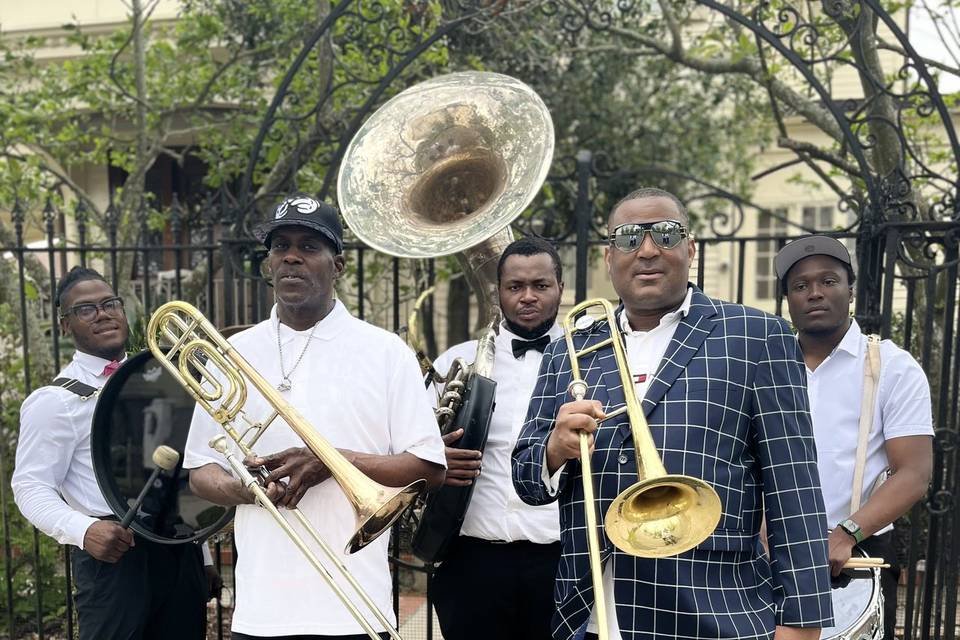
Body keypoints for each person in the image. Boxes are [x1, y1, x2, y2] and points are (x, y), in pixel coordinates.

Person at [512, 187, 834, 640]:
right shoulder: (570, 348)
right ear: (608, 256)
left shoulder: (758, 336)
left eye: (665, 234)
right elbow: (526, 480)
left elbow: (794, 487)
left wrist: (802, 622)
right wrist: (552, 450)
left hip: (714, 612)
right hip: (589, 614)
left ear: (691, 248)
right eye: (628, 238)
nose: (646, 250)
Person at [183, 193, 446, 640]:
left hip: (357, 610)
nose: (291, 257)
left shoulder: (385, 353)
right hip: (260, 613)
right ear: (268, 263)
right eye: (280, 246)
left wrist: (332, 461)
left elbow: (429, 468)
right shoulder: (233, 353)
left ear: (337, 265)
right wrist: (245, 490)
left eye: (309, 247)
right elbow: (198, 473)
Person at [12, 266, 210, 640]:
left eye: (110, 303)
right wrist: (84, 530)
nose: (102, 314)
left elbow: (179, 473)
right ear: (65, 325)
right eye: (86, 309)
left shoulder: (157, 376)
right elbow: (30, 487)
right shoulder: (54, 402)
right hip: (113, 557)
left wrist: (202, 556)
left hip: (178, 551)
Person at [775, 235, 933, 640]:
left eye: (828, 281)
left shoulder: (892, 367)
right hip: (769, 552)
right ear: (788, 300)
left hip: (856, 554)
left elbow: (913, 472)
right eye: (800, 286)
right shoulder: (768, 365)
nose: (814, 293)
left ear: (850, 291)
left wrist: (845, 533)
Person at [430, 236, 565, 640]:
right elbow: (412, 446)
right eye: (515, 287)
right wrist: (438, 460)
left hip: (559, 560)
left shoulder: (592, 361)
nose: (527, 297)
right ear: (499, 292)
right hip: (473, 558)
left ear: (560, 288)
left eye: (541, 286)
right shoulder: (459, 361)